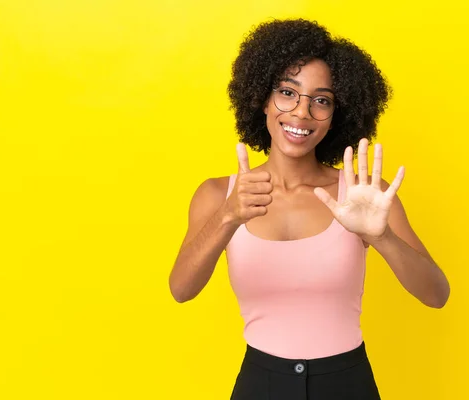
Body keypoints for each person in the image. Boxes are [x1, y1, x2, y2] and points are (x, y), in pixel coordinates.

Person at [168, 18, 450, 399]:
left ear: (337, 115)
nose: (301, 113)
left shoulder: (364, 194)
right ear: (262, 100)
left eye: (321, 100)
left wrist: (381, 237)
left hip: (347, 383)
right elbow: (180, 289)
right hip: (260, 383)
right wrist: (227, 217)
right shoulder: (219, 195)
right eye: (288, 92)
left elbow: (437, 294)